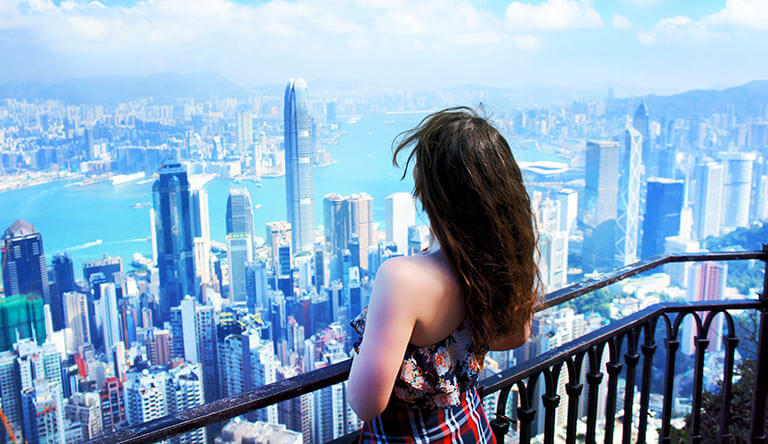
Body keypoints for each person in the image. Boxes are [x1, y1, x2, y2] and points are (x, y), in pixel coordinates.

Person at [348, 107, 541, 442]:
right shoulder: (495, 266)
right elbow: (516, 336)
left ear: (429, 193)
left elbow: (366, 403)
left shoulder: (402, 278)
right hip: (470, 428)